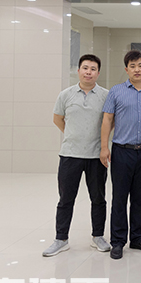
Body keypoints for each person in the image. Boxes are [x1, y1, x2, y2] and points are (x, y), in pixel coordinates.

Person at [43, 54, 109, 257]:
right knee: (66, 199)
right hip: (70, 154)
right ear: (79, 70)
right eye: (85, 68)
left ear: (98, 73)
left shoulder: (106, 95)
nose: (89, 72)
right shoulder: (66, 94)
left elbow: (110, 122)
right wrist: (73, 135)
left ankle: (98, 236)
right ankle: (61, 239)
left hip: (96, 156)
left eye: (93, 69)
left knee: (98, 198)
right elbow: (58, 119)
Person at [100, 50, 141, 260]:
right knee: (119, 197)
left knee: (140, 197)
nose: (137, 69)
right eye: (132, 66)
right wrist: (104, 147)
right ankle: (117, 241)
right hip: (121, 151)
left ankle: (137, 237)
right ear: (126, 69)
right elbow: (107, 120)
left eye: (140, 65)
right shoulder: (115, 92)